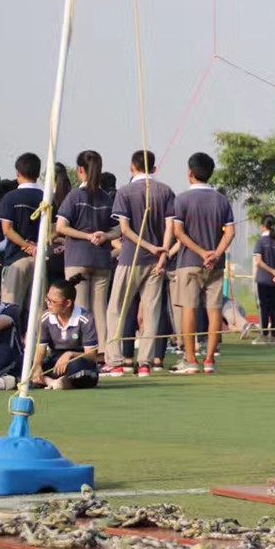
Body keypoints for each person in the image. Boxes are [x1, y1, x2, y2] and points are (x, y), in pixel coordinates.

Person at [106, 149, 175, 379]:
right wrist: (161, 253)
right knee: (151, 313)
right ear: (153, 168)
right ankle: (144, 363)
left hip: (130, 259)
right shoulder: (165, 191)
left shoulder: (125, 192)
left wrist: (151, 248)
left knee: (116, 310)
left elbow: (125, 230)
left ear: (132, 167)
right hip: (155, 262)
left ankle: (115, 362)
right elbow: (169, 229)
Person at [172, 152, 234, 374]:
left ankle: (190, 359)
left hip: (189, 261)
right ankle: (209, 360)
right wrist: (215, 253)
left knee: (189, 309)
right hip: (215, 265)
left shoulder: (181, 199)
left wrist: (200, 252)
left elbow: (178, 232)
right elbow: (230, 233)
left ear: (190, 172)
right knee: (214, 310)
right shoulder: (221, 200)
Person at [56, 150, 115, 364]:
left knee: (80, 308)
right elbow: (118, 229)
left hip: (78, 259)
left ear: (80, 170)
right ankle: (103, 354)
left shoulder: (74, 196)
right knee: (100, 310)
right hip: (101, 260)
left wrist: (86, 236)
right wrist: (104, 235)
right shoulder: (106, 198)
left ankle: (84, 353)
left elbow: (62, 227)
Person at [31, 275, 100, 390]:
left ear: (67, 303)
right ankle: (51, 381)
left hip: (78, 360)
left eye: (53, 301)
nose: (48, 304)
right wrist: (37, 365)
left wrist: (70, 354)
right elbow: (40, 350)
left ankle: (56, 382)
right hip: (56, 361)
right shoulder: (45, 318)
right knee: (27, 365)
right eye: (47, 300)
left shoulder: (85, 319)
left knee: (80, 370)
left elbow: (92, 355)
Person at [0, 153, 45, 317]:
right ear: (38, 174)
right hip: (40, 258)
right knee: (38, 310)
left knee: (11, 309)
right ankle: (38, 343)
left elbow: (7, 230)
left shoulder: (11, 198)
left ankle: (13, 342)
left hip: (16, 259)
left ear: (18, 173)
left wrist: (27, 246)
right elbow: (53, 229)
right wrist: (37, 248)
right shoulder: (46, 198)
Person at [252, 215, 275, 345]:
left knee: (264, 308)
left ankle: (264, 335)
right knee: (274, 307)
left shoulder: (260, 242)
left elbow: (259, 261)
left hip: (263, 280)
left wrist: (272, 272)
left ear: (263, 226)